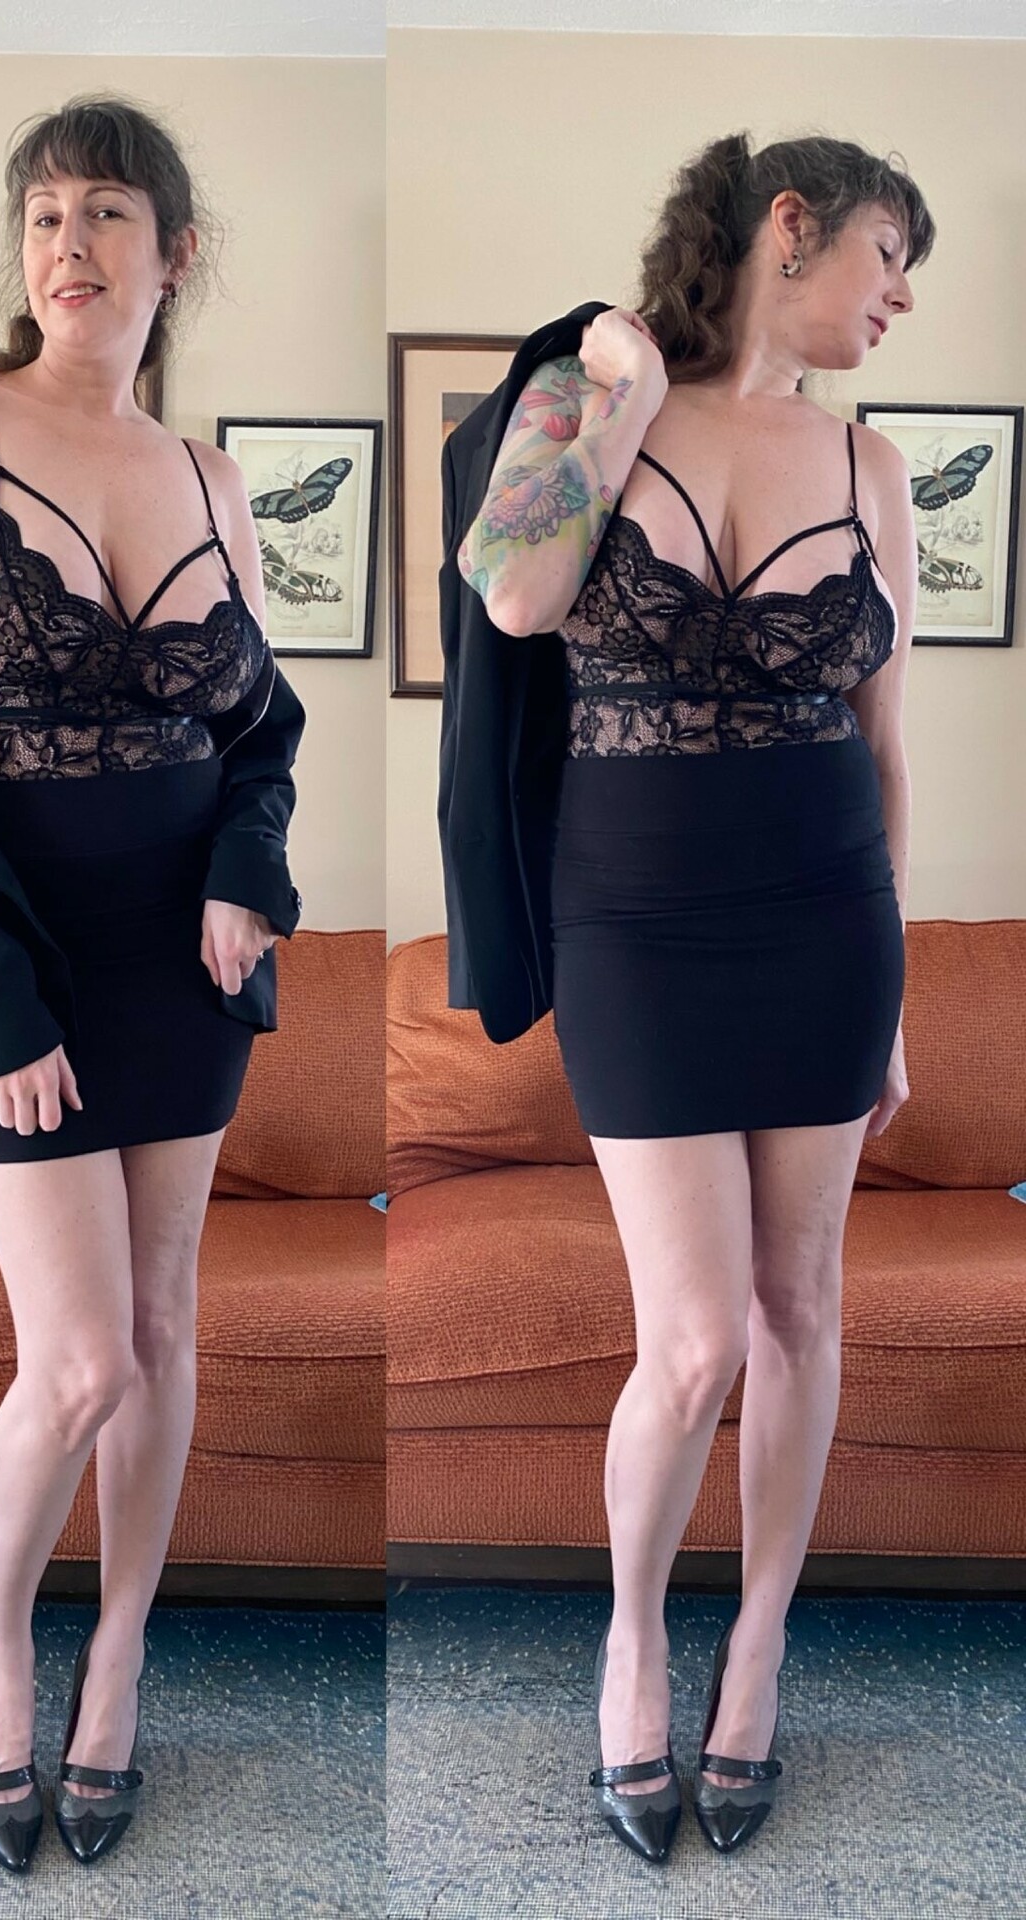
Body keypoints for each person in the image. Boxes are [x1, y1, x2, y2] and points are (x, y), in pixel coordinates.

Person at [0, 95, 304, 1873]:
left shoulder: (216, 482)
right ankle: (3, 1648)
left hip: (182, 959)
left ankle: (119, 1664)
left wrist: (253, 871)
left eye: (106, 211)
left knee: (162, 1331)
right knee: (81, 1354)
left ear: (175, 254)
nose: (68, 244)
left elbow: (261, 735)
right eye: (42, 214)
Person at [456, 132, 929, 1862]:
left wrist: (894, 995)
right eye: (889, 253)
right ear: (788, 227)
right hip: (634, 929)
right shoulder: (587, 398)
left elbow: (885, 744)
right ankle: (635, 1643)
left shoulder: (874, 464)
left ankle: (759, 1653)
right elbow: (517, 596)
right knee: (695, 1339)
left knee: (801, 1312)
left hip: (826, 925)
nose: (900, 297)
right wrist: (623, 397)